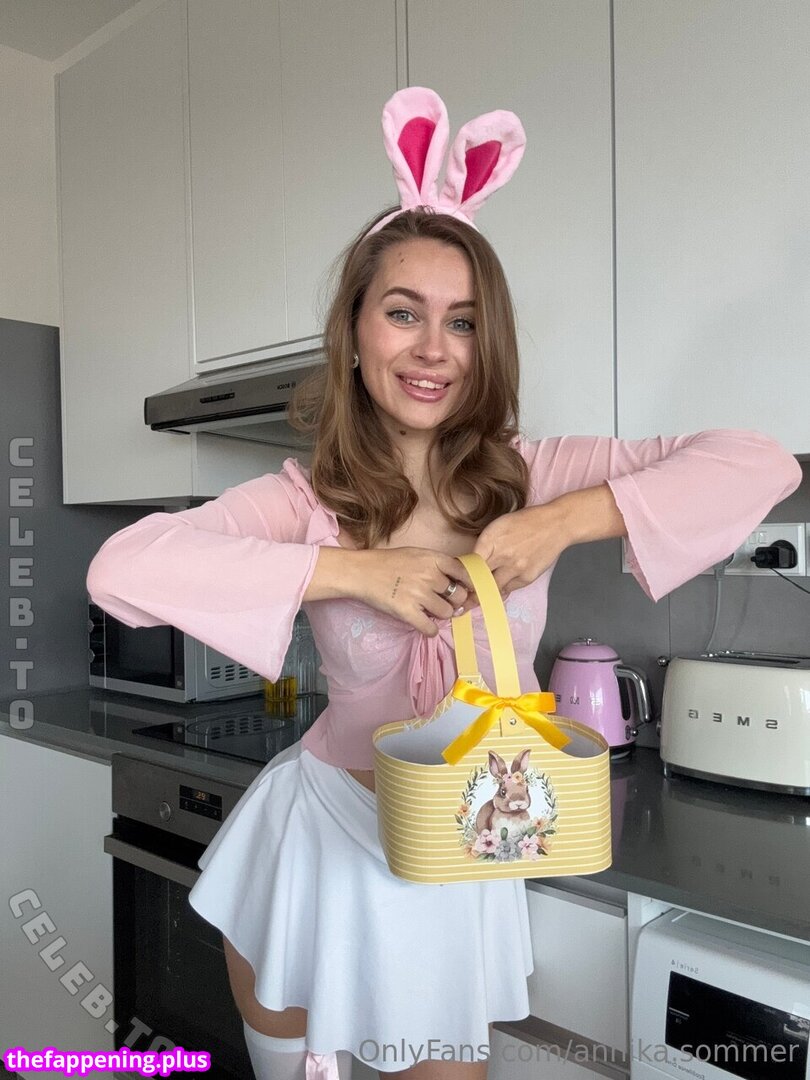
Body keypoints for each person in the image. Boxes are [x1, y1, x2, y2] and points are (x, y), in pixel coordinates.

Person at [85, 88, 802, 1080]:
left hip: (468, 842)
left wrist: (564, 520)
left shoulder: (538, 473)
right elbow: (121, 568)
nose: (432, 348)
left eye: (461, 322)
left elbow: (761, 463)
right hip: (322, 833)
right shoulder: (304, 500)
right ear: (355, 332)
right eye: (403, 313)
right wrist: (354, 572)